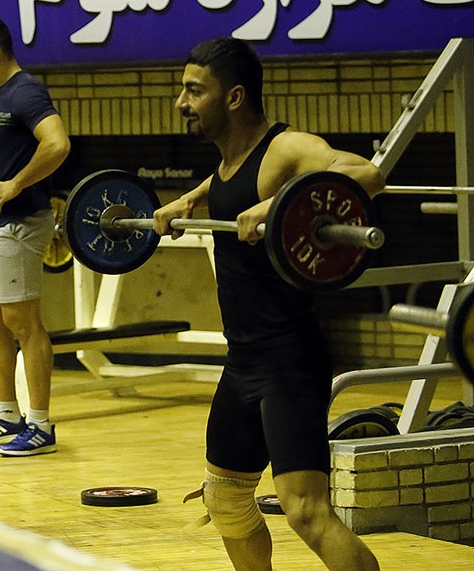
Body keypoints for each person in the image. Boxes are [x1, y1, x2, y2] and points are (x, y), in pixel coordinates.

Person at [152, 38, 382, 571]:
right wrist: (191, 198)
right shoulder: (231, 161)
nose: (181, 103)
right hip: (243, 361)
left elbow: (368, 175)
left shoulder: (285, 148)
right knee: (226, 500)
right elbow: (230, 184)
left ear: (234, 97)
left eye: (194, 91)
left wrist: (278, 204)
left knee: (306, 512)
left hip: (288, 362)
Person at [0, 16, 69, 456]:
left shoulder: (26, 91)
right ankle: (6, 415)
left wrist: (17, 183)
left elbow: (57, 144)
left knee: (24, 324)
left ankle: (40, 425)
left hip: (19, 224)